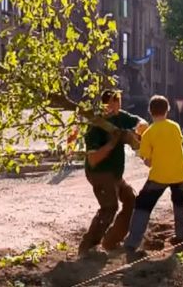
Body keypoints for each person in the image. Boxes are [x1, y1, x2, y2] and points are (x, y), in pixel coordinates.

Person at [79, 89, 148, 255]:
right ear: (105, 104)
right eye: (113, 102)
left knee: (131, 199)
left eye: (118, 102)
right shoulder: (95, 125)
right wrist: (111, 144)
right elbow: (93, 159)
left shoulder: (120, 116)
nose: (116, 106)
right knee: (110, 207)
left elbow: (138, 121)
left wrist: (141, 126)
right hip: (100, 173)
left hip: (116, 175)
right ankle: (87, 248)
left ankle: (111, 240)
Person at [124, 95, 183, 259]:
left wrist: (139, 142)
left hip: (159, 176)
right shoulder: (175, 127)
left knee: (142, 205)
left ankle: (133, 243)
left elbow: (148, 162)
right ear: (167, 110)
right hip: (180, 174)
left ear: (150, 111)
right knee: (179, 203)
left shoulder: (149, 133)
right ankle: (182, 237)